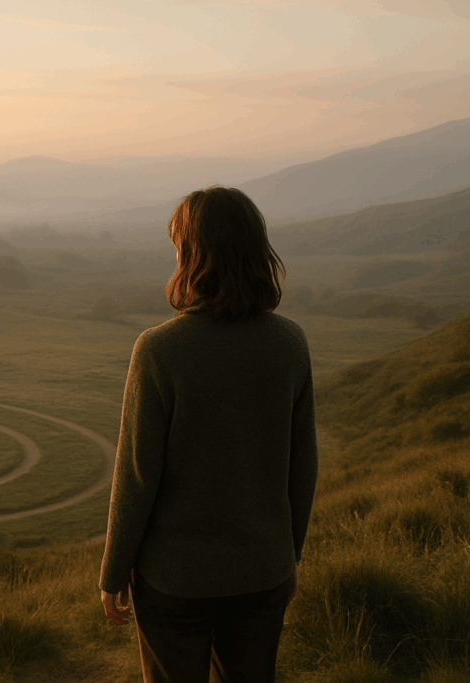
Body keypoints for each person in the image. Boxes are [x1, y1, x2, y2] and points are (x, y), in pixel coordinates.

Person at [98, 186, 318, 683]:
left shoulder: (159, 349)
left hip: (175, 578)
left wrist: (114, 572)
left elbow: (137, 476)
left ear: (191, 254)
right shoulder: (289, 343)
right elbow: (303, 465)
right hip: (263, 570)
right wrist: (288, 556)